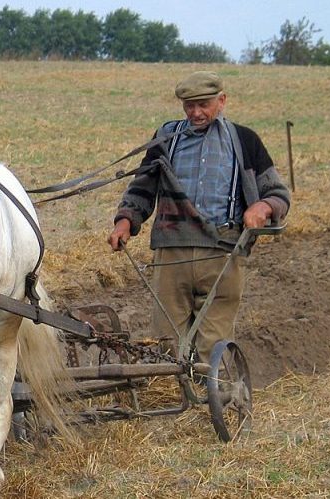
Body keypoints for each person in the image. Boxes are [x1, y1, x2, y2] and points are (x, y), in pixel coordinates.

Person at [107, 71, 291, 363]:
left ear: (222, 101)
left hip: (224, 252)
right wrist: (125, 221)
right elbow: (142, 186)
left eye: (203, 104)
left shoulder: (244, 141)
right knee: (166, 342)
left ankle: (210, 397)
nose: (196, 113)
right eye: (189, 106)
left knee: (213, 344)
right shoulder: (166, 138)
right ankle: (175, 398)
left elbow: (278, 194)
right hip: (172, 253)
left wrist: (262, 207)